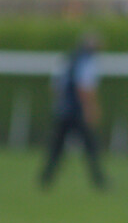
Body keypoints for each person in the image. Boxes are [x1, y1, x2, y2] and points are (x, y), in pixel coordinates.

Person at [39, 32, 109, 191]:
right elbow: (84, 87)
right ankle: (99, 180)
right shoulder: (87, 61)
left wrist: (60, 104)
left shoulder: (67, 58)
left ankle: (45, 179)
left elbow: (55, 86)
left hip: (63, 110)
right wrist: (90, 108)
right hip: (77, 112)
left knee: (56, 147)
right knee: (91, 146)